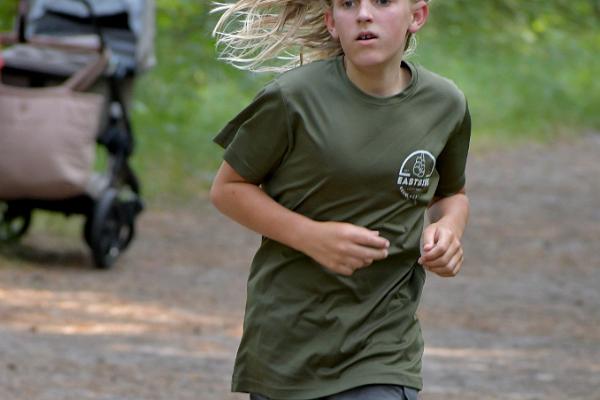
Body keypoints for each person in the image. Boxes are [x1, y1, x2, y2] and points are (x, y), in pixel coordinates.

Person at [210, 0, 471, 399]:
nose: (364, 13)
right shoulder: (292, 98)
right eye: (348, 4)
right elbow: (228, 189)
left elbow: (451, 193)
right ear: (332, 22)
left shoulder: (444, 104)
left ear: (416, 16)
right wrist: (311, 237)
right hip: (288, 343)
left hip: (384, 344)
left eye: (382, 1)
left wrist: (449, 228)